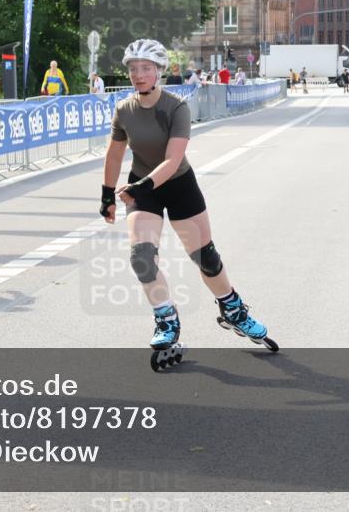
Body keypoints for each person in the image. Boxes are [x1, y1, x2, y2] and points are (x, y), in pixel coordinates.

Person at [100, 39, 278, 370]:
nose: (138, 75)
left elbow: (173, 159)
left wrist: (137, 185)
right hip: (145, 190)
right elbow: (114, 153)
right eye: (133, 69)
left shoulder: (176, 107)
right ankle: (166, 320)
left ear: (159, 72)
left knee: (205, 257)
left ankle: (233, 309)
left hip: (178, 185)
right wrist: (107, 195)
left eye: (146, 69)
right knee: (141, 258)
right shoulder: (124, 109)